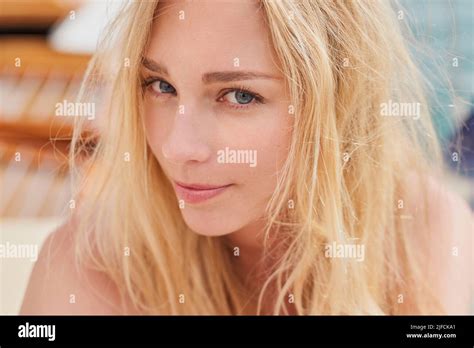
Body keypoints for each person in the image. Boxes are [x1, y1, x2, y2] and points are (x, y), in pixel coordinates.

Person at [21, 0, 473, 315]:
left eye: (239, 95)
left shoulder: (424, 235)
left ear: (337, 101)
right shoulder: (88, 270)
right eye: (160, 86)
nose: (179, 147)